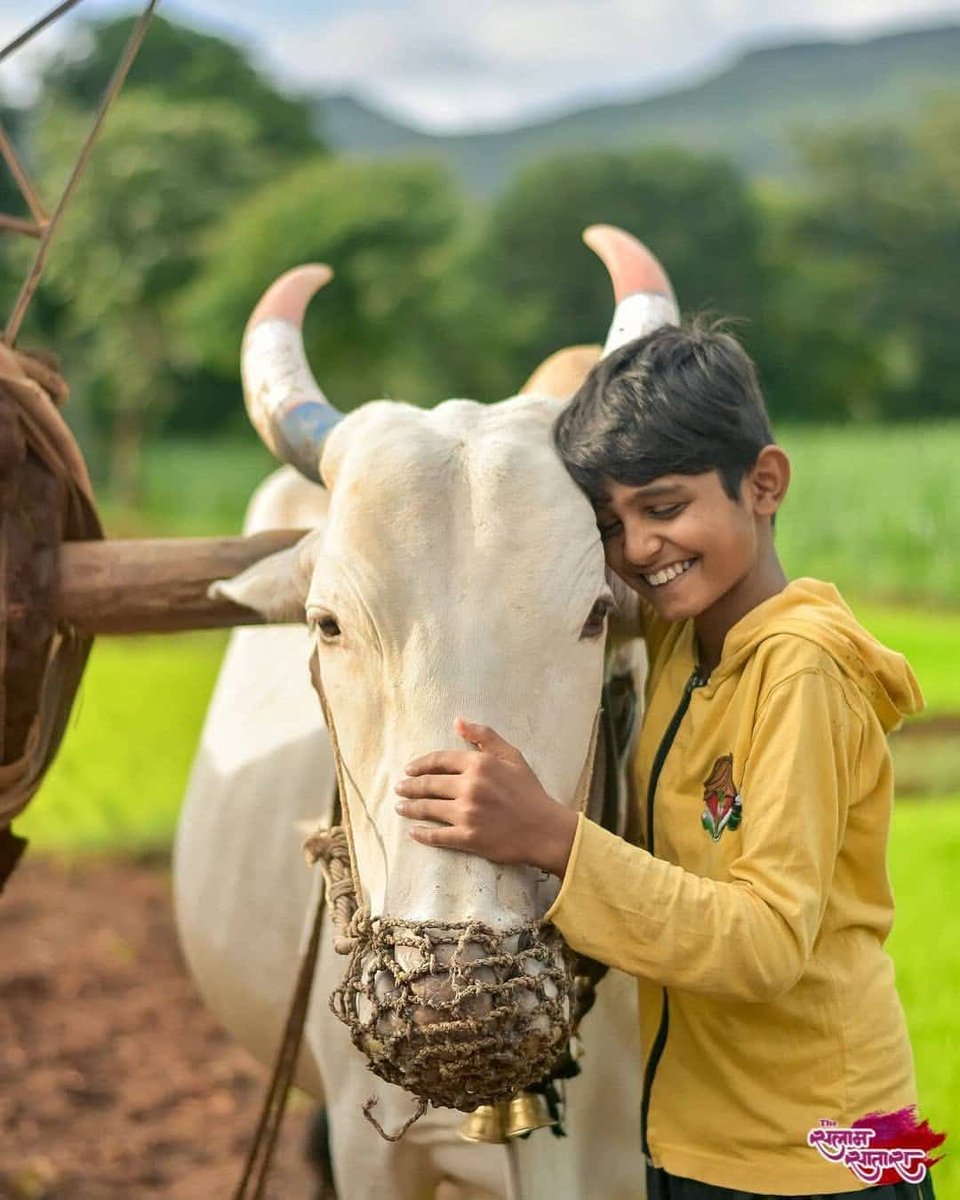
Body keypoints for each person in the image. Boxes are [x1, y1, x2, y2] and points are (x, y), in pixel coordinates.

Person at [393, 322, 936, 1199]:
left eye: (665, 506)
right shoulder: (684, 638)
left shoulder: (802, 672)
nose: (639, 547)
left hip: (823, 1152)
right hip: (699, 1136)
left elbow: (764, 943)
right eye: (612, 522)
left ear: (764, 484)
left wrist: (552, 837)